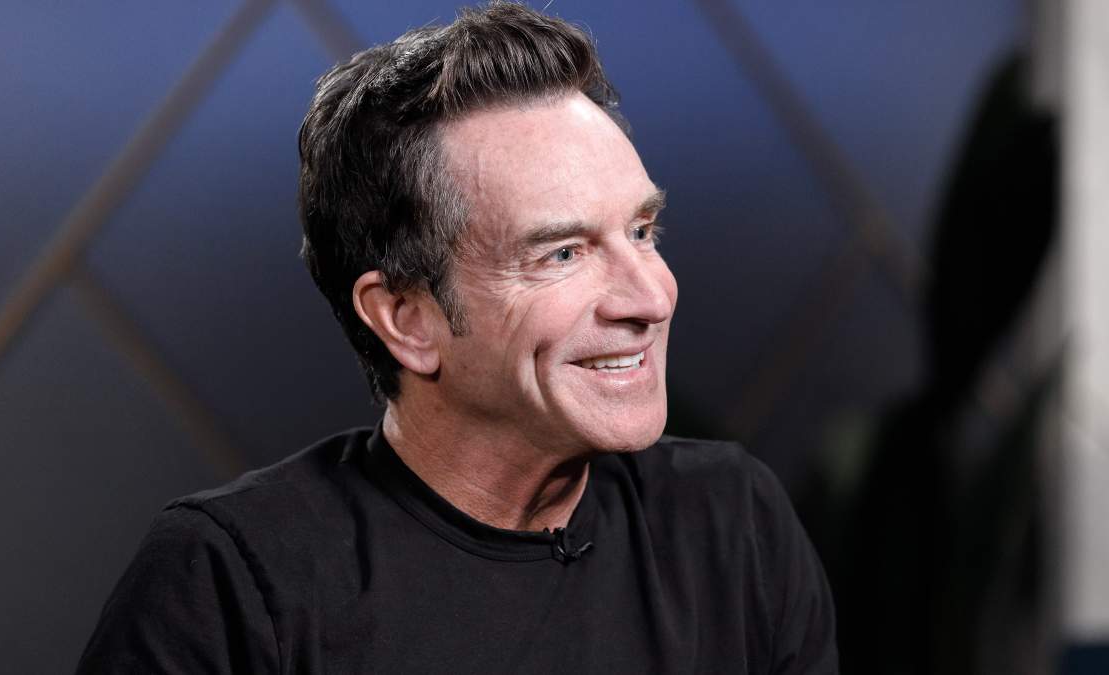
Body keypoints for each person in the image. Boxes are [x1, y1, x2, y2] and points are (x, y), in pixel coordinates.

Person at [76, 3, 837, 673]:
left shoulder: (733, 522)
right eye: (562, 253)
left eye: (642, 231)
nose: (652, 295)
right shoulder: (228, 584)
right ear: (406, 318)